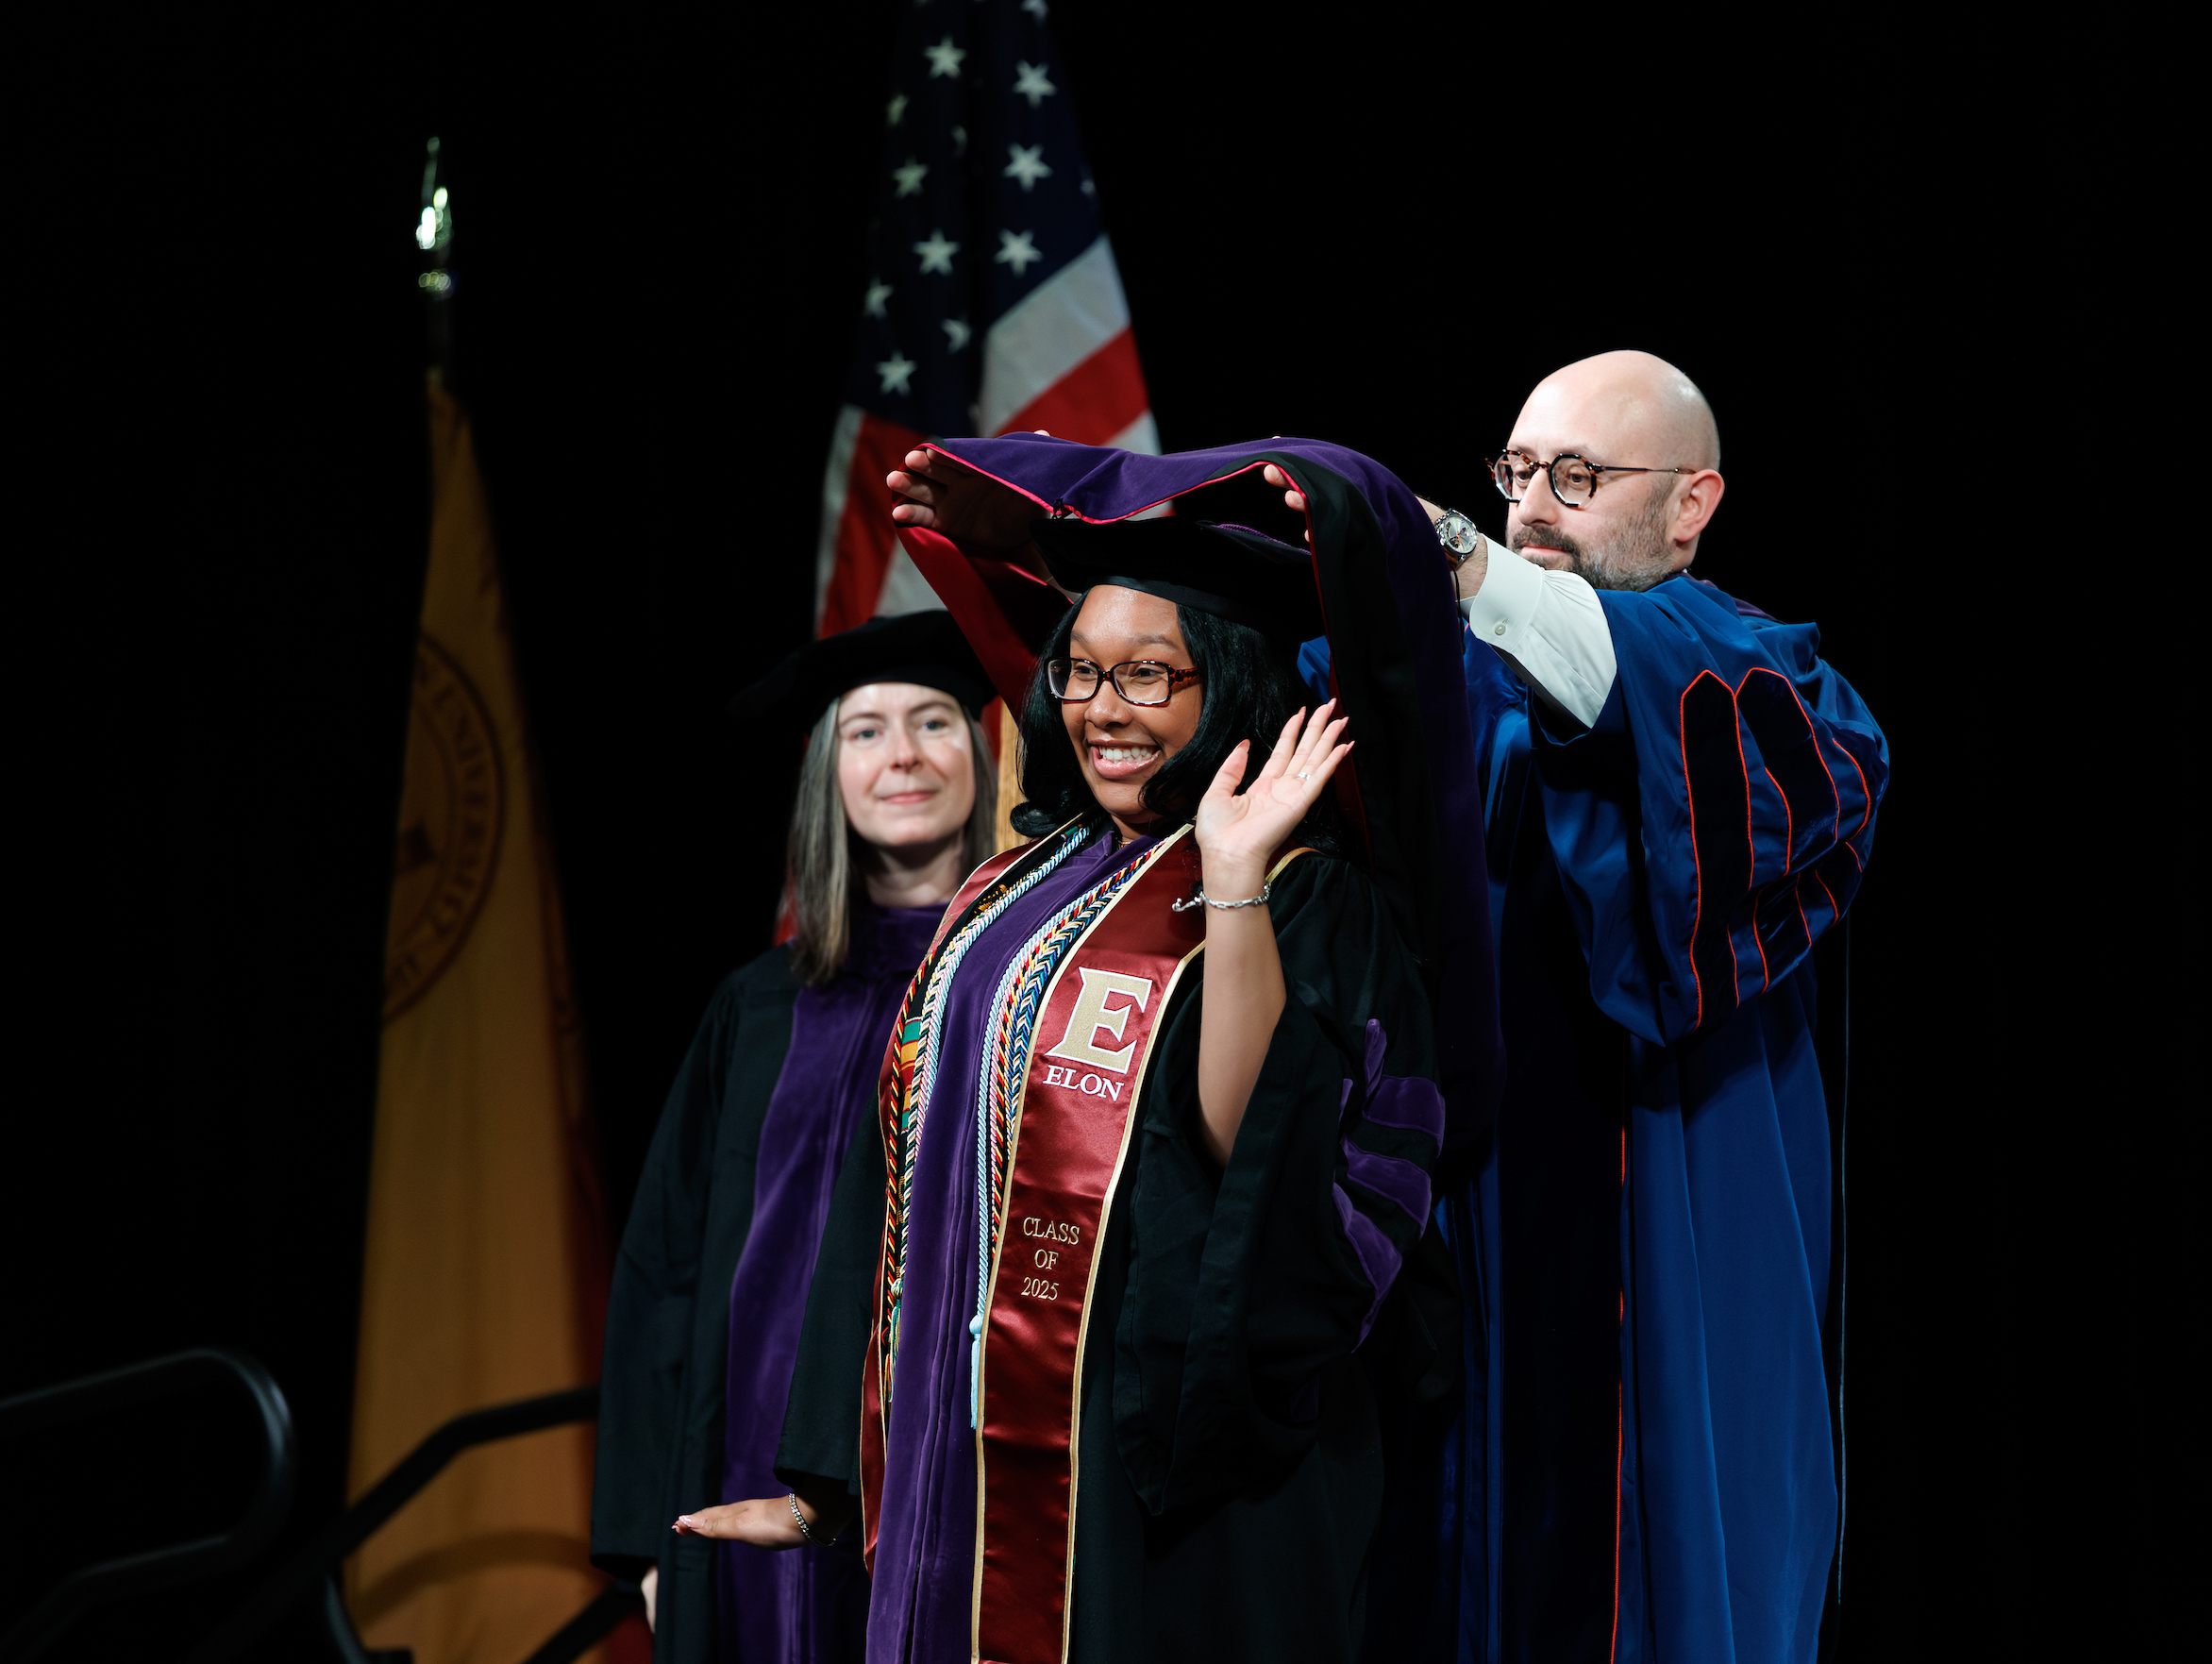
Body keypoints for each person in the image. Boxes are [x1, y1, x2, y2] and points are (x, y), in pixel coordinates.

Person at [687, 431, 1504, 1664]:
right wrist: (838, 1467)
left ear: (1224, 679)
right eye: (1079, 673)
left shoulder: (1301, 893)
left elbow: (1255, 1157)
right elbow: (899, 1180)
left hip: (1159, 1497)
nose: (1101, 711)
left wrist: (1229, 880)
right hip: (962, 1479)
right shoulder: (1009, 886)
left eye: (1147, 676)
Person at [1282, 349, 1885, 1662]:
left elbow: (1600, 663)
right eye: (1514, 474)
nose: (1533, 508)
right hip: (1454, 1234)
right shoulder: (1440, 684)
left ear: (1693, 503)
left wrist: (1433, 545)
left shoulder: (1770, 688)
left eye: (1578, 474)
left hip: (1669, 1207)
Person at [590, 612, 1001, 1663]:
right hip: (740, 1467)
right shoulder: (757, 1005)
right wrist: (643, 1532)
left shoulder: (1021, 990)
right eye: (863, 732)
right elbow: (662, 1269)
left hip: (940, 1468)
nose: (901, 755)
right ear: (829, 773)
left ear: (984, 748)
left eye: (932, 720)